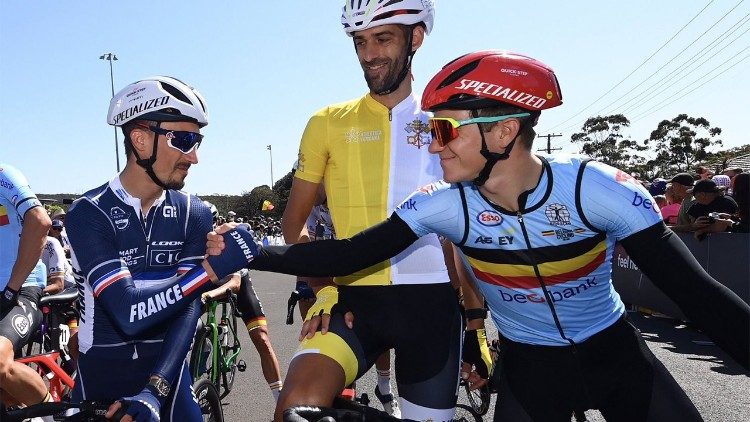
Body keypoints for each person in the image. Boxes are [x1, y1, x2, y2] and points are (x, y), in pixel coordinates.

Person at [208, 50, 750, 421]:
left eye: (443, 129)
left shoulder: (598, 189)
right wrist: (252, 251)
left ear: (504, 131)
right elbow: (353, 253)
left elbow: (701, 298)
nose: (432, 143)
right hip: (531, 369)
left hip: (618, 358)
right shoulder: (443, 207)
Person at [278, 1, 468, 420]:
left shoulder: (444, 120)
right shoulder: (326, 122)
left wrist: (475, 324)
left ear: (415, 37)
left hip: (431, 304)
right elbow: (294, 226)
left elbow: (469, 224)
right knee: (294, 410)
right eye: (360, 42)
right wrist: (325, 287)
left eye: (383, 38)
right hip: (351, 297)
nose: (369, 54)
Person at [65, 76, 244, 422]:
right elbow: (128, 313)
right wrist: (207, 273)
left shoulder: (195, 212)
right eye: (183, 140)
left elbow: (187, 307)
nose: (194, 157)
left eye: (198, 141)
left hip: (169, 379)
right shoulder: (89, 213)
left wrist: (156, 388)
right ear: (141, 140)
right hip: (99, 383)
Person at [0, 163, 54, 417]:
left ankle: (53, 415)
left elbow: (40, 221)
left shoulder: (3, 175)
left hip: (20, 290)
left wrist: (11, 288)